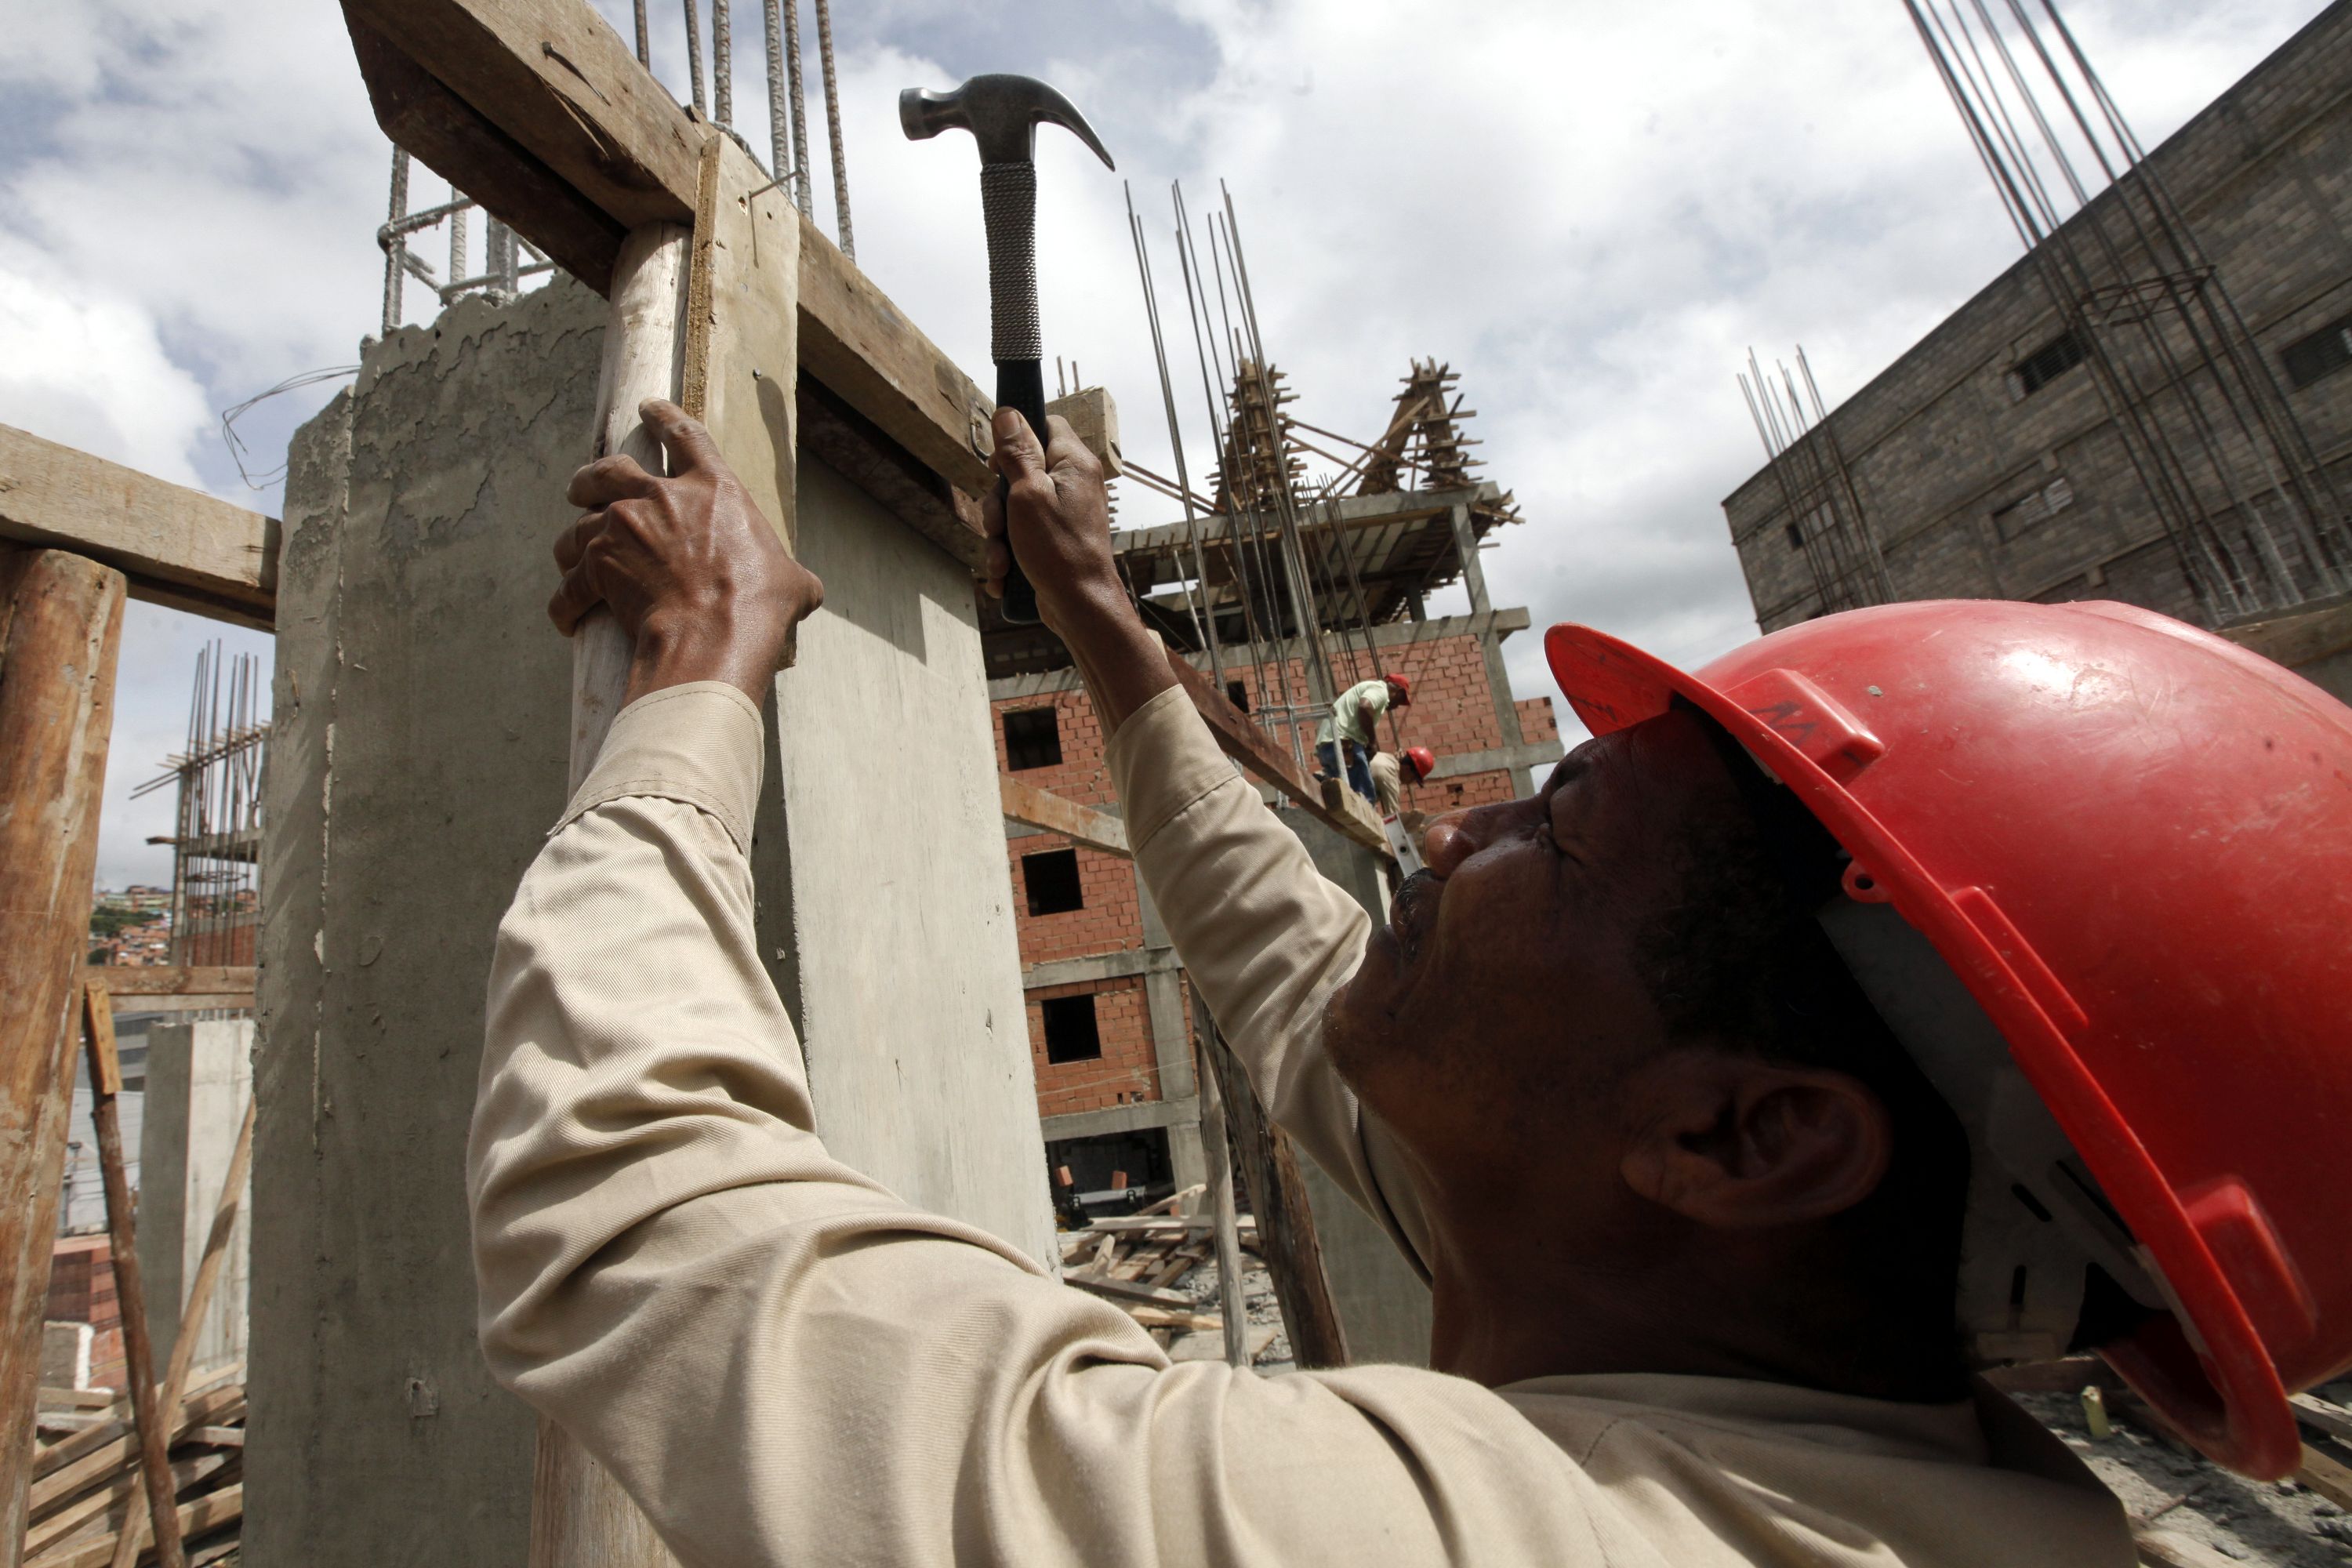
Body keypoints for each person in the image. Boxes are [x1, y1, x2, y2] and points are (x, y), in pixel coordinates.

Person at [470, 401, 2352, 1566]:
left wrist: (700, 672)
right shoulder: (1762, 1349)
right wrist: (1116, 650)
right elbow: (1307, 996)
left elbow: (642, 1223)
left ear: (1742, 1129)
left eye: (1562, 832)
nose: (1444, 837)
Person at [1314, 670, 1409, 802]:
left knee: (1344, 799)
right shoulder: (1381, 690)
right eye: (1400, 701)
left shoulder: (1370, 688)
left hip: (1326, 748)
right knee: (1365, 799)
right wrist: (1372, 742)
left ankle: (1324, 780)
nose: (1397, 706)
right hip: (1344, 747)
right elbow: (1365, 707)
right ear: (1398, 692)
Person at [1369, 742, 1435, 816]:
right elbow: (1394, 818)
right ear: (1407, 769)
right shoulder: (1390, 778)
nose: (1410, 782)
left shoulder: (1384, 757)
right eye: (1413, 778)